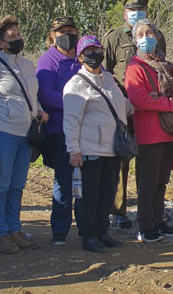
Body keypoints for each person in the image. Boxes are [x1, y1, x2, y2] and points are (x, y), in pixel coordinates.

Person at [0, 15, 48, 254]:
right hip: (2, 133)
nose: (18, 39)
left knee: (17, 185)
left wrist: (39, 111)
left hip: (25, 134)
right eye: (12, 37)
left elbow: (32, 95)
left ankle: (14, 229)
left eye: (18, 34)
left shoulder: (28, 65)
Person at [102, 0, 167, 229]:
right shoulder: (113, 38)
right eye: (132, 10)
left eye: (140, 10)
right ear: (124, 13)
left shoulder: (156, 35)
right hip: (121, 107)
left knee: (148, 161)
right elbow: (105, 73)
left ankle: (148, 210)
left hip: (149, 110)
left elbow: (162, 69)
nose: (136, 14)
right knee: (121, 159)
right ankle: (118, 211)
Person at [62, 35, 131, 252]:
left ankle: (102, 231)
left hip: (112, 149)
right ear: (81, 56)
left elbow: (123, 106)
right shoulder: (75, 85)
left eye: (97, 50)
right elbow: (71, 120)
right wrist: (74, 149)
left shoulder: (110, 79)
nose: (94, 54)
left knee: (107, 194)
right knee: (88, 196)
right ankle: (88, 235)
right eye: (89, 51)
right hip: (89, 150)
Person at [125, 20, 173, 242]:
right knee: (148, 181)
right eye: (140, 34)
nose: (146, 37)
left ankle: (159, 221)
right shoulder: (135, 68)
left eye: (149, 32)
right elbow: (139, 99)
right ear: (135, 41)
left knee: (161, 181)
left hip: (169, 131)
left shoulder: (166, 66)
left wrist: (163, 99)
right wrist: (170, 103)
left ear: (157, 35)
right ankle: (145, 225)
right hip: (150, 133)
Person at [35, 16, 81, 245]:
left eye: (71, 30)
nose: (67, 35)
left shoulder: (84, 57)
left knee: (87, 180)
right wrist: (75, 103)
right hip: (59, 129)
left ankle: (87, 227)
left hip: (87, 129)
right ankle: (60, 231)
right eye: (61, 31)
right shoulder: (48, 61)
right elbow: (44, 94)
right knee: (63, 180)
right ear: (52, 36)